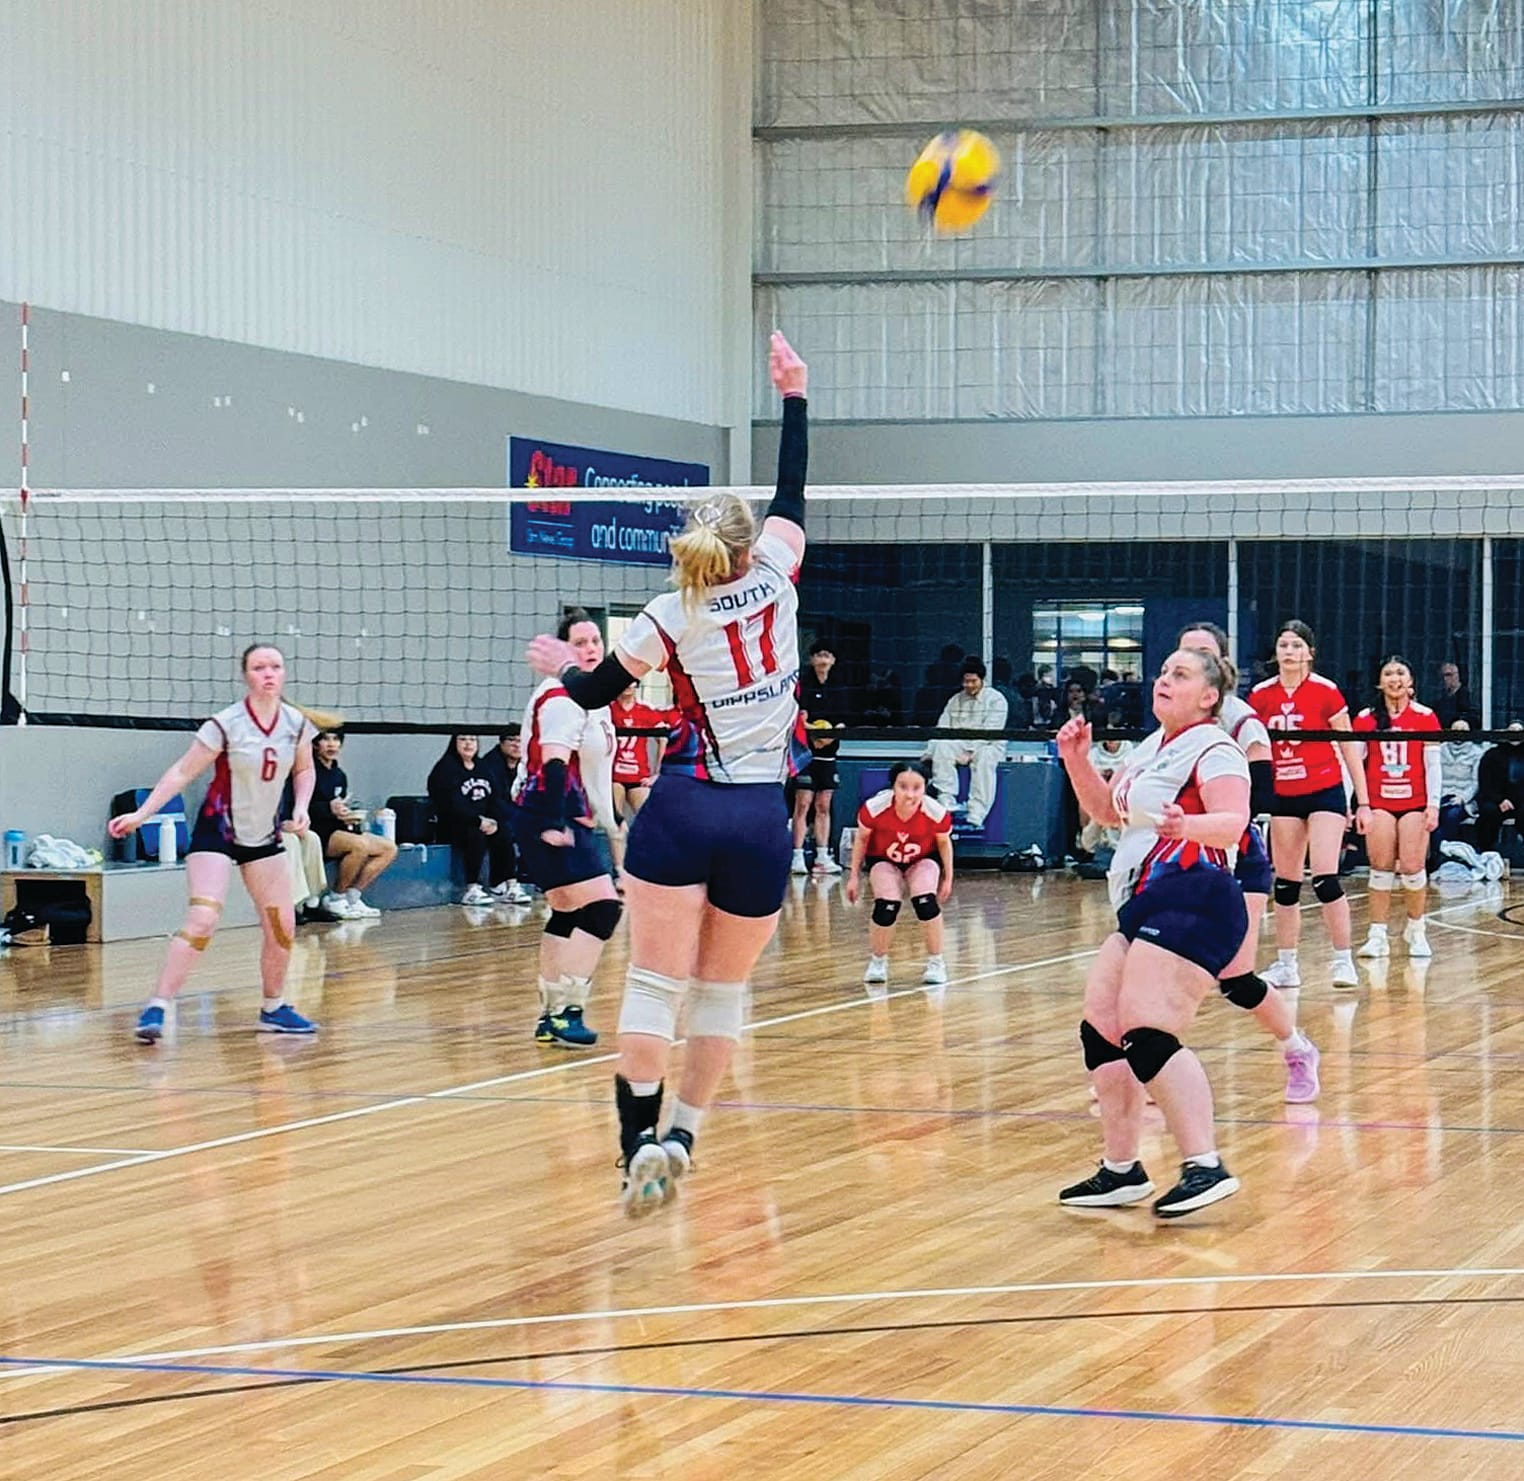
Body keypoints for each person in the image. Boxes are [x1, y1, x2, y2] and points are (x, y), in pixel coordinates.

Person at [525, 328, 809, 1216]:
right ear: (748, 539)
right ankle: (682, 1133)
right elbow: (793, 492)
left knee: (653, 984)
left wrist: (559, 670)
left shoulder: (668, 610)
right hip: (763, 817)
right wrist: (794, 396)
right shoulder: (780, 575)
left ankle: (633, 1148)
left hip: (684, 805)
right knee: (721, 994)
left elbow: (599, 692)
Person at [1054, 647, 1250, 1218]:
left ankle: (1205, 1164)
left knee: (1145, 1027)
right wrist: (1077, 761)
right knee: (1102, 1027)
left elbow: (1234, 821)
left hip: (1197, 892)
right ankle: (1122, 1169)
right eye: (1163, 672)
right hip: (1145, 899)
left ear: (1209, 696)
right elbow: (1107, 813)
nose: (1165, 680)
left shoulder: (1215, 747)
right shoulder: (1149, 749)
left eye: (1180, 675)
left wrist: (1187, 824)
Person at [108, 644, 324, 1043]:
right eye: (259, 667)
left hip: (264, 837)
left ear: (285, 673)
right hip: (218, 832)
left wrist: (303, 808)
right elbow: (181, 772)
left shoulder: (296, 724)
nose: (268, 674)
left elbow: (305, 769)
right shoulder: (226, 724)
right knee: (204, 919)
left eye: (275, 666)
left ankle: (274, 1008)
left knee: (282, 927)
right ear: (247, 675)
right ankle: (158, 1004)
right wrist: (142, 815)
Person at [1179, 622, 1319, 1104]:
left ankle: (1296, 1047)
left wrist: (1213, 819)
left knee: (1235, 979)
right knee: (1164, 963)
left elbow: (1261, 792)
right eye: (1181, 655)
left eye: (1201, 654)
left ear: (1219, 669)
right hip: (1177, 860)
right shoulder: (1166, 729)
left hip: (1235, 856)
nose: (1186, 665)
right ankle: (1150, 1063)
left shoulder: (1240, 719)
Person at [511, 608, 621, 1049]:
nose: (591, 649)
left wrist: (610, 824)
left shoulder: (591, 696)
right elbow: (554, 762)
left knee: (569, 911)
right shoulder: (561, 696)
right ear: (561, 650)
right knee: (602, 909)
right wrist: (557, 823)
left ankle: (550, 1014)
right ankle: (567, 1009)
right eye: (580, 643)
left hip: (561, 812)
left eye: (596, 641)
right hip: (548, 812)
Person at [1249, 620, 1371, 990]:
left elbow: (1350, 748)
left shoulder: (1326, 692)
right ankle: (1287, 964)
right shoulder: (1260, 695)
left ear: (1309, 653)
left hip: (1324, 790)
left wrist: (1362, 802)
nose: (1289, 651)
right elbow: (1251, 748)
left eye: (1296, 646)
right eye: (1283, 645)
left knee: (1324, 877)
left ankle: (1342, 960)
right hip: (1284, 793)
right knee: (1285, 884)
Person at [1352, 658, 1441, 959]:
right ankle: (1377, 934)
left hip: (1415, 802)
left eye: (1401, 672)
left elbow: (1433, 765)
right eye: (1388, 674)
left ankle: (1416, 930)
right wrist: (1351, 805)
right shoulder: (1366, 718)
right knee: (1380, 867)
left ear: (1411, 681)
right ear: (1380, 683)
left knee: (1413, 866)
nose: (1394, 678)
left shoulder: (1426, 717)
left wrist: (1433, 804)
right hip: (1379, 802)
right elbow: (1353, 764)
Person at [845, 761, 953, 986]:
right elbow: (862, 840)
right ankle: (878, 961)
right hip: (884, 857)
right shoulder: (875, 808)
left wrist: (948, 878)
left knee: (925, 902)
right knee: (886, 905)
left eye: (917, 787)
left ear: (925, 787)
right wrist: (853, 876)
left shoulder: (935, 812)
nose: (910, 794)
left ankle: (936, 962)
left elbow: (944, 844)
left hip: (923, 857)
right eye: (903, 787)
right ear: (893, 786)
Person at [307, 729, 396, 918]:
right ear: (315, 745)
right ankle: (335, 898)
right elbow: (300, 807)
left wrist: (348, 815)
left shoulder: (339, 775)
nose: (331, 744)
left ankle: (352, 897)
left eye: (336, 739)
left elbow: (339, 808)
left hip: (338, 829)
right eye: (326, 740)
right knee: (360, 846)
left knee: (389, 848)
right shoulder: (308, 772)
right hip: (316, 832)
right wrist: (328, 809)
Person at [427, 735, 515, 905]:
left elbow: (495, 798)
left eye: (472, 740)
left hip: (483, 822)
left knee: (503, 831)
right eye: (463, 739)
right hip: (452, 824)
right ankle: (472, 889)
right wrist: (477, 820)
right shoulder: (445, 769)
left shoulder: (482, 767)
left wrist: (495, 820)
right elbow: (451, 804)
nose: (468, 744)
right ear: (455, 743)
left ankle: (505, 885)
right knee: (474, 834)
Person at [925, 658, 1008, 829]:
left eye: (973, 681)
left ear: (982, 680)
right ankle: (946, 799)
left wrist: (971, 752)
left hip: (989, 746)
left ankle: (977, 813)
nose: (969, 685)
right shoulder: (955, 700)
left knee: (985, 758)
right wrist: (930, 751)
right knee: (942, 746)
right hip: (960, 744)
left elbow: (991, 732)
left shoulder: (996, 700)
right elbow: (943, 728)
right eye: (965, 681)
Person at [793, 640, 846, 875]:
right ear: (812, 659)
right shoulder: (803, 685)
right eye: (819, 655)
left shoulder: (839, 689)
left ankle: (822, 856)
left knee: (823, 804)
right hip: (806, 754)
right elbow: (800, 718)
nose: (823, 659)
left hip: (828, 754)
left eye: (827, 655)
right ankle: (796, 857)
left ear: (833, 661)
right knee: (802, 804)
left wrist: (829, 738)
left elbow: (843, 721)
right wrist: (813, 736)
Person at [477, 725, 532, 904]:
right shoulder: (489, 765)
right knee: (505, 829)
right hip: (489, 813)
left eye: (520, 741)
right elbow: (493, 801)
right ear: (501, 743)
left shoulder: (527, 764)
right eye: (511, 740)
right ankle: (506, 883)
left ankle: (539, 879)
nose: (516, 745)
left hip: (516, 812)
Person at [1436, 719, 1484, 854]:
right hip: (1441, 796)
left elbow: (1475, 782)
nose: (1459, 733)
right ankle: (1437, 857)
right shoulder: (1440, 750)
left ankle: (1449, 853)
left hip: (1463, 799)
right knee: (1434, 818)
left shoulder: (1476, 752)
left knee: (1451, 815)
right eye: (1456, 729)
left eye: (1463, 730)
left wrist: (1462, 798)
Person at [1475, 722, 1524, 855]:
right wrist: (1500, 799)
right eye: (1511, 730)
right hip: (1496, 799)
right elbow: (1485, 782)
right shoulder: (1492, 755)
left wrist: (1517, 801)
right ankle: (1486, 855)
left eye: (1518, 731)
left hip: (1520, 801)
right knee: (1488, 813)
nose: (1515, 734)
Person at [1434, 662, 1480, 730]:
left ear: (1457, 675)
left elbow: (1475, 717)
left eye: (1448, 675)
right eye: (1442, 676)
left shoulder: (1467, 696)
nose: (1445, 679)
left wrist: (1462, 721)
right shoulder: (1441, 699)